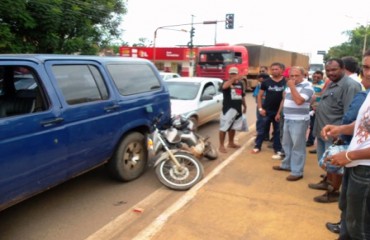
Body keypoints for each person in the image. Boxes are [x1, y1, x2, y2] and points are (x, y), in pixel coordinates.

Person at [320, 50, 370, 239]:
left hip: (365, 170)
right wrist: (340, 129)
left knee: (360, 228)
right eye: (365, 67)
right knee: (348, 215)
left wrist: (348, 156)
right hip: (355, 166)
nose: (366, 73)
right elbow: (362, 125)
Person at [308, 58, 362, 203]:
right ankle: (327, 182)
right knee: (326, 162)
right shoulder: (332, 83)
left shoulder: (350, 86)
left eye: (334, 70)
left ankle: (333, 192)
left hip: (335, 134)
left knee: (335, 164)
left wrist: (341, 136)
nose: (331, 73)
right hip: (323, 130)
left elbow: (349, 115)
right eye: (328, 70)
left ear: (343, 68)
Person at [272, 66, 314, 181]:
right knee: (287, 144)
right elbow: (285, 99)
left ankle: (297, 172)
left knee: (298, 147)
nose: (294, 78)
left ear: (303, 75)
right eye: (292, 76)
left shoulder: (307, 86)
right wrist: (280, 113)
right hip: (288, 118)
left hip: (299, 120)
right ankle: (286, 165)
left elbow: (299, 101)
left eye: (297, 76)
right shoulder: (290, 86)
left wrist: (292, 87)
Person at [252, 62, 286, 154]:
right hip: (266, 111)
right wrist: (260, 109)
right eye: (273, 69)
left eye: (277, 69)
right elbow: (259, 96)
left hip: (278, 111)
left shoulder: (286, 82)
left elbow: (285, 98)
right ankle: (257, 146)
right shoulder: (266, 82)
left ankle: (277, 149)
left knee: (278, 131)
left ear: (282, 70)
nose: (274, 71)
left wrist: (279, 112)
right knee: (261, 130)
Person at [219, 67, 247, 153]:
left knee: (233, 126)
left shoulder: (241, 84)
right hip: (228, 109)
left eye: (235, 73)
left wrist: (245, 106)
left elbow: (241, 96)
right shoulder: (225, 82)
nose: (233, 75)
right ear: (229, 74)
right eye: (232, 73)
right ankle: (221, 145)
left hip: (237, 108)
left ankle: (231, 142)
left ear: (238, 73)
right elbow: (224, 87)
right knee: (224, 127)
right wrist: (233, 79)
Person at [306, 70, 325, 147]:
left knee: (313, 125)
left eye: (318, 77)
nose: (316, 78)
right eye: (314, 76)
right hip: (307, 107)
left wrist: (317, 107)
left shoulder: (323, 85)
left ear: (321, 77)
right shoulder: (309, 84)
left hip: (315, 108)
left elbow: (323, 97)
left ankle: (310, 141)